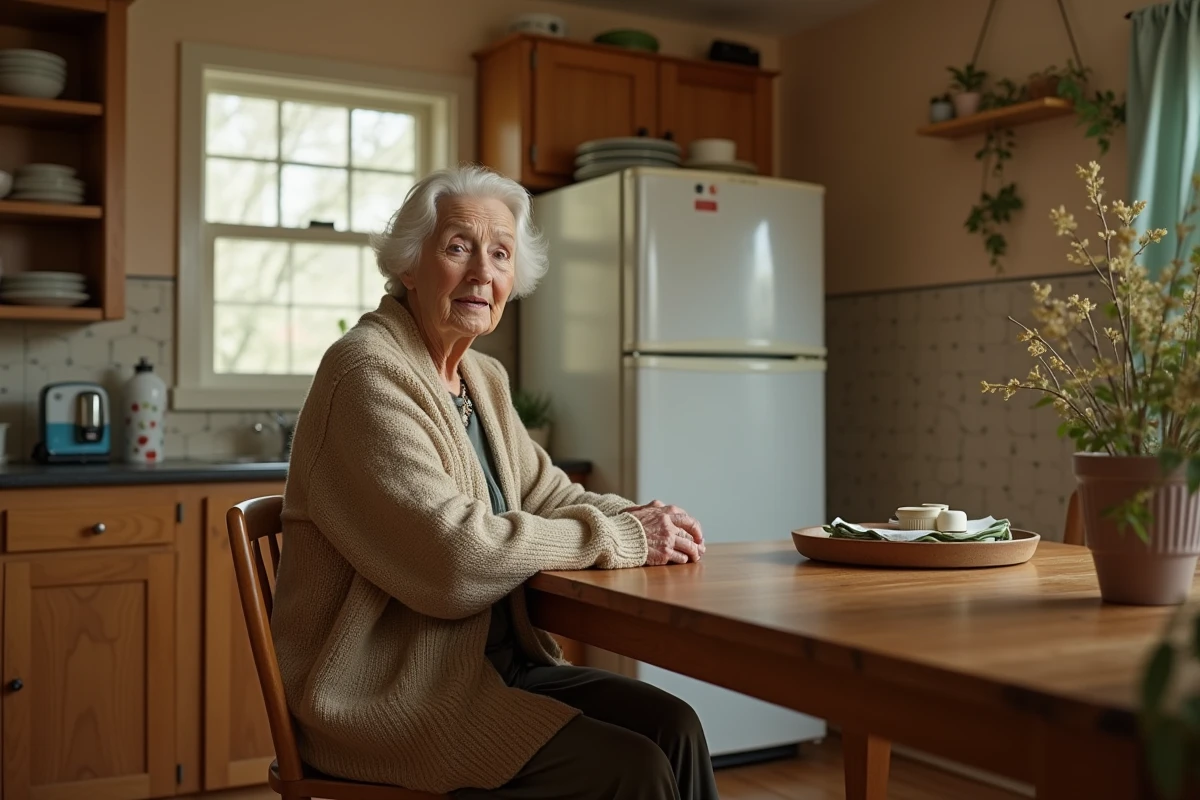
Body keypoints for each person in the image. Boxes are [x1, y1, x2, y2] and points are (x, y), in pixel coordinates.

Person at [272, 164, 720, 800]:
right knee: (632, 766)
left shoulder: (482, 379)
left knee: (675, 726)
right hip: (387, 695)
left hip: (495, 667)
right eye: (459, 247)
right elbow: (455, 560)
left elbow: (550, 496)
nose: (483, 271)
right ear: (409, 265)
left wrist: (646, 522)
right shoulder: (366, 373)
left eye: (501, 253)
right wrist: (622, 537)